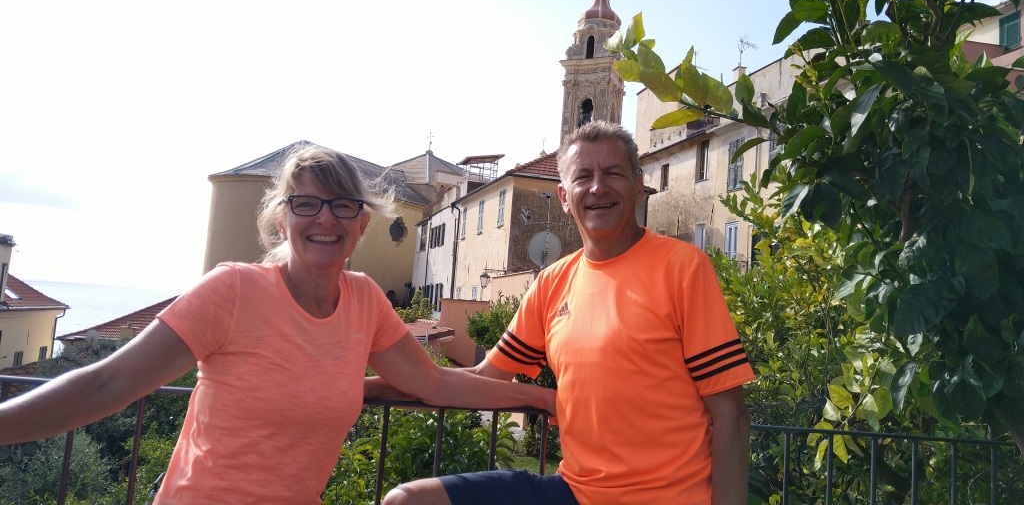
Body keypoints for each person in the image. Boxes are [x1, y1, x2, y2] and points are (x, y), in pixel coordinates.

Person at [0, 144, 556, 504]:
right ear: (282, 219)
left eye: (341, 206)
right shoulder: (233, 290)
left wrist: (543, 400)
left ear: (361, 225)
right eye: (306, 204)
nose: (324, 218)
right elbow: (107, 382)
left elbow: (434, 382)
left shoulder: (364, 301)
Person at [382, 121, 756, 505]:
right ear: (564, 196)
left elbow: (732, 414)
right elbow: (481, 379)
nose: (598, 187)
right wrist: (358, 385)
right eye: (583, 177)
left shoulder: (683, 268)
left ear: (638, 185)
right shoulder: (551, 283)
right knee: (407, 501)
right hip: (573, 492)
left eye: (613, 173)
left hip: (667, 497)